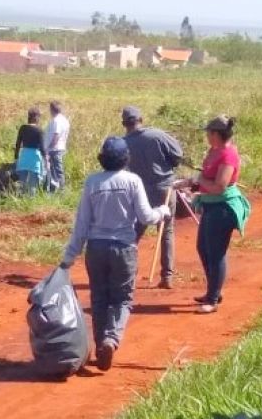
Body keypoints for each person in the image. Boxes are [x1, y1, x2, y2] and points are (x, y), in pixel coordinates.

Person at [57, 136, 171, 371]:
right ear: (126, 159)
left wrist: (68, 258)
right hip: (123, 249)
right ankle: (111, 339)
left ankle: (100, 345)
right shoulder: (133, 181)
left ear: (103, 159)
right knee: (122, 299)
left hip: (96, 249)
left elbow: (82, 225)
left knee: (99, 298)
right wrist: (163, 211)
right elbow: (146, 217)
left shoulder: (92, 183)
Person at [174, 116, 250, 314]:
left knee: (216, 253)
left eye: (208, 133)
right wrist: (191, 183)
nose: (206, 136)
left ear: (216, 134)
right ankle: (213, 291)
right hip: (210, 206)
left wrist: (199, 180)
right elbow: (207, 180)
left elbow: (219, 186)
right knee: (203, 249)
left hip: (222, 208)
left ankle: (213, 298)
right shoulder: (214, 151)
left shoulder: (228, 155)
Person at [122, 106, 184, 289]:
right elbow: (178, 155)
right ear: (141, 119)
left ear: (124, 124)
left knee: (134, 232)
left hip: (140, 191)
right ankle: (167, 276)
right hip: (164, 188)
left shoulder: (123, 143)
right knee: (166, 230)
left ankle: (128, 275)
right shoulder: (157, 134)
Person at [15, 107, 48, 196]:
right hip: (34, 157)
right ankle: (31, 201)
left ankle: (20, 199)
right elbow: (42, 147)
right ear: (36, 117)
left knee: (22, 182)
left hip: (24, 155)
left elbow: (18, 143)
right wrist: (46, 159)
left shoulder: (23, 128)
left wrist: (16, 157)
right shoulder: (39, 130)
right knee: (32, 184)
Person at [44, 100, 70, 191]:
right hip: (59, 148)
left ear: (52, 109)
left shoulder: (57, 121)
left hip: (55, 149)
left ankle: (61, 190)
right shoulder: (64, 120)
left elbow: (56, 135)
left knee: (57, 171)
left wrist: (48, 148)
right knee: (54, 171)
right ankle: (56, 189)